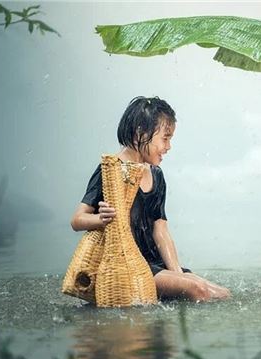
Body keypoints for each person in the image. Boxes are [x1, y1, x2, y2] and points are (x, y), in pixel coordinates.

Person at [71, 96, 230, 302]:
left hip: (155, 264)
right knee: (198, 289)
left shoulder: (156, 174)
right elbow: (77, 220)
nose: (169, 146)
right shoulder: (111, 170)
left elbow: (160, 230)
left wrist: (178, 274)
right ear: (141, 133)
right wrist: (100, 219)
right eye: (165, 138)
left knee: (221, 294)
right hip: (130, 266)